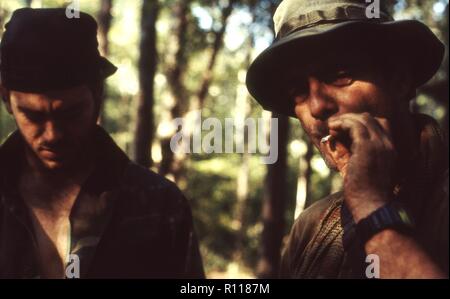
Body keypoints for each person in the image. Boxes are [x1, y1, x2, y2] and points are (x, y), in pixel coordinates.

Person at [246, 0, 448, 278]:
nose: (317, 107)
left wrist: (372, 207)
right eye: (299, 92)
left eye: (340, 76)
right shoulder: (311, 227)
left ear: (400, 79)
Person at [0, 8, 204, 278]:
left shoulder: (160, 206)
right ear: (6, 98)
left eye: (69, 113)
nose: (52, 134)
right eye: (33, 115)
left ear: (97, 94)